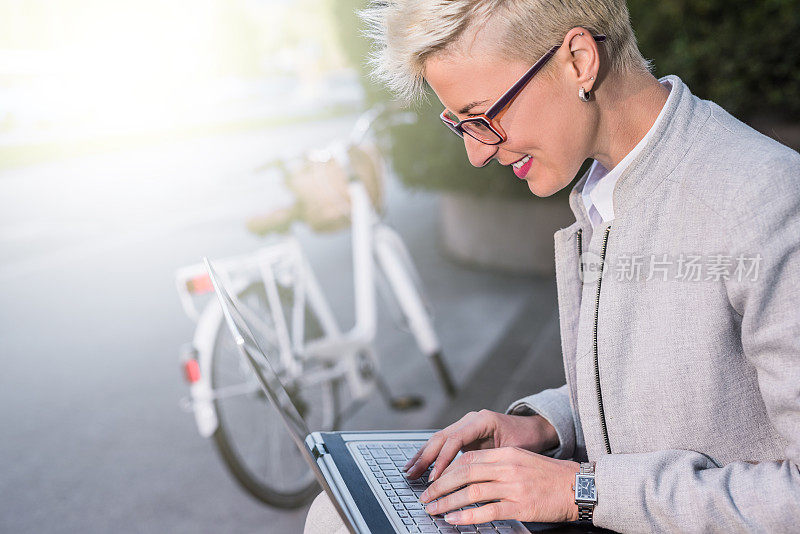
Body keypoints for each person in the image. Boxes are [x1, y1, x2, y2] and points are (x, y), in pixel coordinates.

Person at [305, 0, 800, 531]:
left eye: (484, 114)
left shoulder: (763, 199)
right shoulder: (608, 193)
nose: (475, 153)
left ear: (580, 60)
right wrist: (547, 423)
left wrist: (579, 491)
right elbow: (680, 377)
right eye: (460, 124)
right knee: (337, 511)